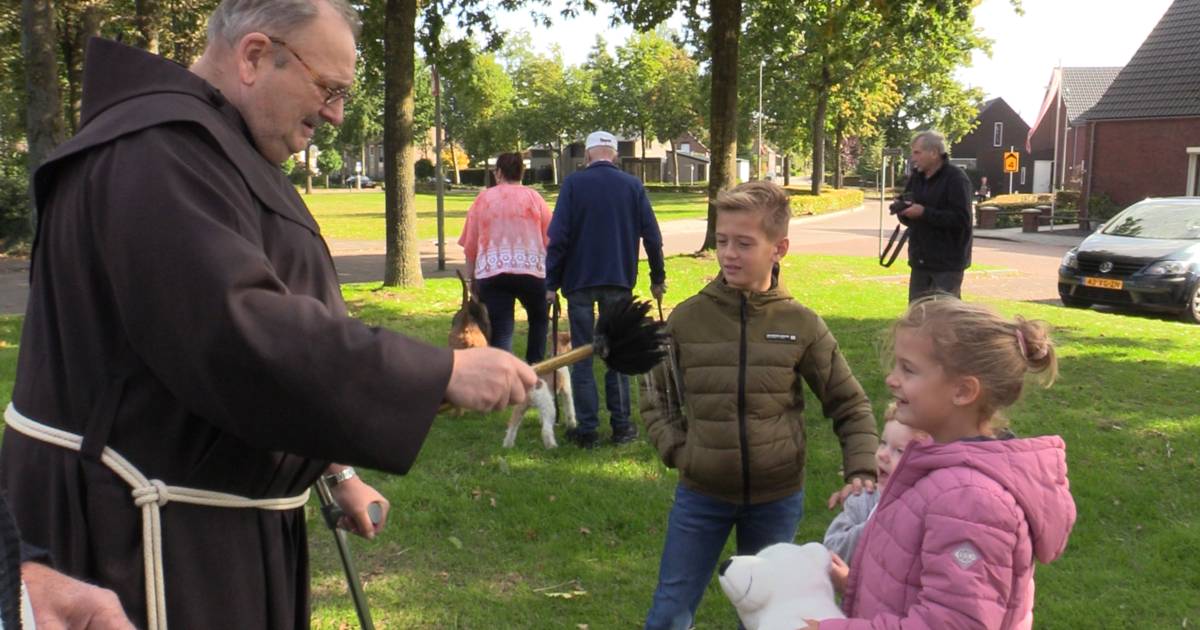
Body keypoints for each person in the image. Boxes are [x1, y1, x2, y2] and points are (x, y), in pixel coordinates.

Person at [0, 1, 536, 627]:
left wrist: (335, 471)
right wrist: (437, 373)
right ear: (255, 56)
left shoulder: (217, 148)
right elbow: (234, 331)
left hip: (216, 533)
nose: (336, 113)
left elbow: (285, 312)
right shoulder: (154, 154)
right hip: (144, 548)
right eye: (329, 88)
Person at [639, 181, 880, 630]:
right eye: (722, 241)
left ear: (779, 248)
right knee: (671, 608)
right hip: (701, 495)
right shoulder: (688, 319)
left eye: (744, 243)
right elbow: (657, 397)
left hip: (777, 497)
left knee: (772, 612)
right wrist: (681, 451)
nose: (728, 253)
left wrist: (862, 467)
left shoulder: (800, 323)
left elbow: (849, 403)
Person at [810, 297, 1076, 629]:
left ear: (963, 391)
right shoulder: (932, 471)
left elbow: (955, 622)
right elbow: (916, 583)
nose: (891, 379)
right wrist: (857, 586)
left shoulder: (970, 501)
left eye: (908, 369)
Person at [545, 130, 666, 448]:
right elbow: (652, 236)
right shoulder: (632, 185)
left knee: (583, 355)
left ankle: (587, 429)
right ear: (614, 155)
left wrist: (551, 283)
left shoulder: (573, 184)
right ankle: (622, 426)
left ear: (586, 155)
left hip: (579, 282)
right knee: (618, 353)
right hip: (618, 281)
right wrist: (657, 277)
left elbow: (558, 237)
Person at [458, 152, 553, 363]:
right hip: (531, 270)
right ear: (522, 172)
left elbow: (471, 245)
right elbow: (550, 240)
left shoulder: (483, 199)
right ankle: (534, 369)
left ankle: (504, 378)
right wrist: (552, 281)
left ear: (498, 173)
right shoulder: (534, 198)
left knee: (501, 329)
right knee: (539, 319)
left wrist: (471, 278)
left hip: (493, 272)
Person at [821, 403, 927, 563]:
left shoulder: (929, 509)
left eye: (899, 451)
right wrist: (878, 521)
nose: (883, 454)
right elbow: (833, 550)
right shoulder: (863, 499)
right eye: (883, 443)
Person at [895, 130, 973, 302]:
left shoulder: (956, 179)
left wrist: (924, 213)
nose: (913, 158)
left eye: (917, 152)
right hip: (920, 260)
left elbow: (962, 219)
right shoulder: (917, 178)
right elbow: (909, 210)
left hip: (947, 264)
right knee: (916, 316)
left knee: (944, 318)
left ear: (934, 153)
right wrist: (903, 211)